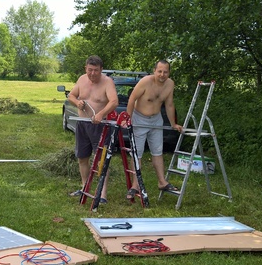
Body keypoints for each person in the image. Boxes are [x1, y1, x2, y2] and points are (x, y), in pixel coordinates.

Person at [125, 60, 183, 200]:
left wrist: (173, 124)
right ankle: (135, 185)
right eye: (160, 71)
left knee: (157, 151)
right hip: (139, 119)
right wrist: (128, 119)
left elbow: (169, 104)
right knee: (137, 153)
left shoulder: (170, 84)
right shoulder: (146, 82)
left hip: (156, 119)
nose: (162, 75)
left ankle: (162, 182)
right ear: (154, 71)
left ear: (169, 72)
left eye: (165, 72)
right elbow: (132, 99)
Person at [67, 55, 118, 205]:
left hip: (100, 126)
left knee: (101, 159)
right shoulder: (82, 79)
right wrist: (77, 102)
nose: (92, 73)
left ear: (101, 69)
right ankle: (84, 187)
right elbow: (71, 95)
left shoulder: (107, 82)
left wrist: (101, 114)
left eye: (96, 70)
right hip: (82, 124)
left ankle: (102, 193)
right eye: (90, 70)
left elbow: (114, 101)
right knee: (82, 157)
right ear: (86, 68)